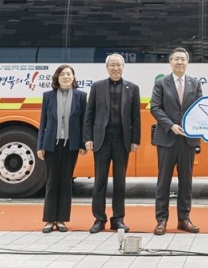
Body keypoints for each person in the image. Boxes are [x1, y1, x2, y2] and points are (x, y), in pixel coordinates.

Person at [83, 54, 141, 234]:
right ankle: (99, 219)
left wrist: (135, 140)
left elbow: (135, 117)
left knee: (120, 182)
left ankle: (118, 219)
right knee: (99, 181)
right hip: (102, 140)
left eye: (119, 65)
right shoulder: (97, 87)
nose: (116, 68)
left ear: (124, 67)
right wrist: (88, 138)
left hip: (122, 141)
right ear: (107, 67)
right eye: (112, 65)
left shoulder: (132, 88)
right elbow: (89, 114)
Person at [150, 47, 203, 235]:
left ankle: (184, 219)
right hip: (167, 138)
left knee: (186, 182)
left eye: (183, 59)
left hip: (188, 140)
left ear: (187, 63)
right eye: (176, 59)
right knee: (163, 181)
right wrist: (171, 126)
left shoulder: (195, 84)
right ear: (170, 62)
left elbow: (200, 108)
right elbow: (155, 108)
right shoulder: (161, 83)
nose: (180, 62)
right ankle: (161, 220)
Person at [36, 64, 87, 233]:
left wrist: (82, 143)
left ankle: (62, 220)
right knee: (51, 181)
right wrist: (40, 145)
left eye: (69, 74)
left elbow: (83, 122)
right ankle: (49, 220)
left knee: (66, 181)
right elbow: (43, 122)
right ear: (57, 78)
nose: (66, 77)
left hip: (71, 145)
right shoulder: (48, 96)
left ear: (73, 78)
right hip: (52, 144)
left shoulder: (81, 96)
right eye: (63, 74)